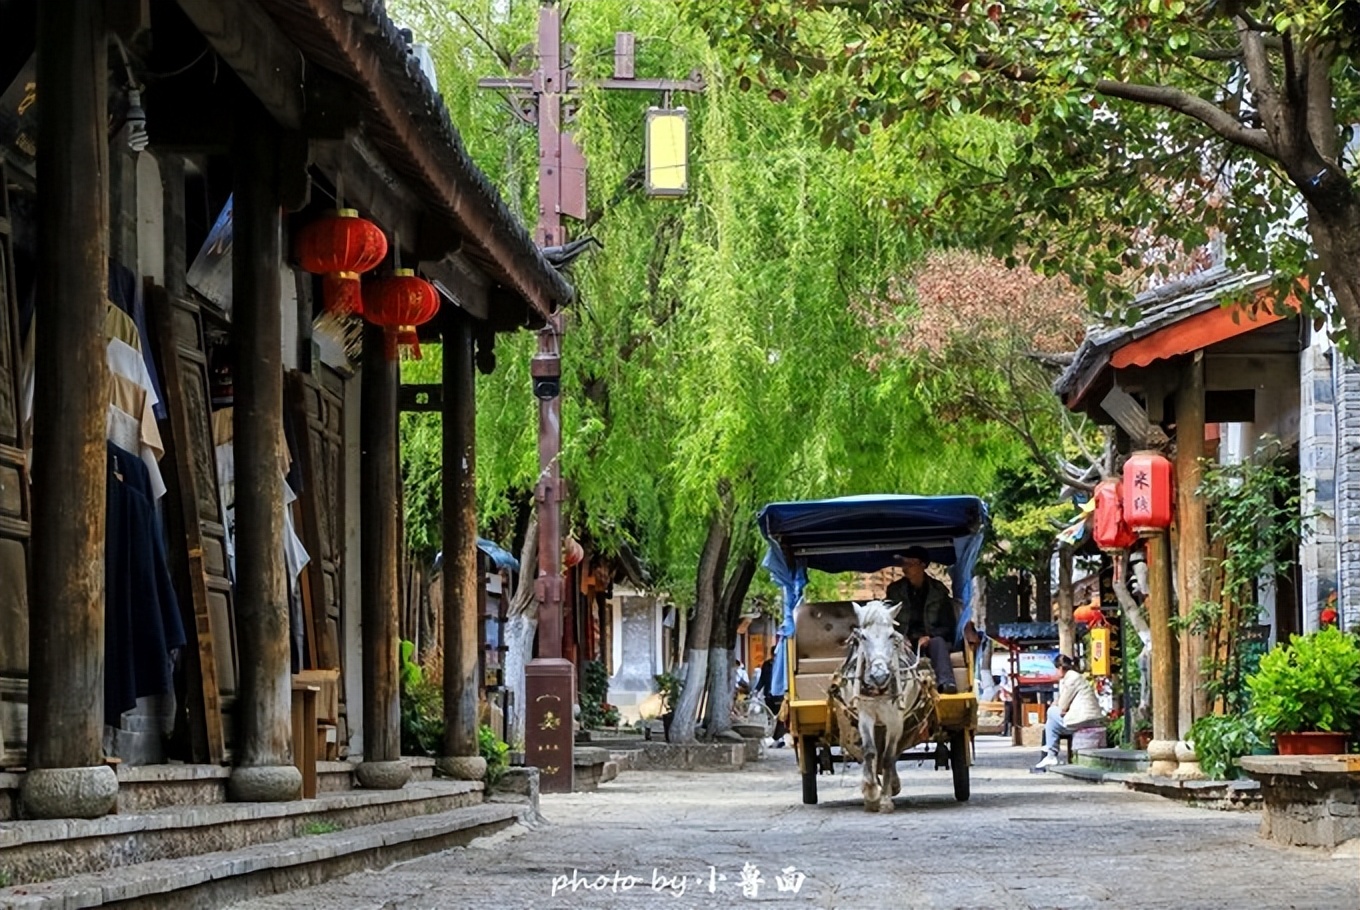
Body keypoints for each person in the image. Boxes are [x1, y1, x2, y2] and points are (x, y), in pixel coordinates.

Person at [885, 546, 958, 694]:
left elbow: (948, 624)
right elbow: (888, 620)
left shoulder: (939, 591)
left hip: (930, 638)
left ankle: (947, 683)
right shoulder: (894, 590)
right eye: (904, 563)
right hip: (904, 638)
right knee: (894, 647)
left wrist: (929, 636)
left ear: (923, 565)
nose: (905, 567)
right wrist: (900, 637)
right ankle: (895, 690)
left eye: (910, 563)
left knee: (938, 643)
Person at [1034, 654, 1103, 769]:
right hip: (1082, 718)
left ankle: (1049, 753)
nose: (1055, 672)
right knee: (1051, 724)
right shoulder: (1071, 678)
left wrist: (1057, 705)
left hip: (1084, 719)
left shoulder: (1072, 678)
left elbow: (1062, 705)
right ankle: (1050, 755)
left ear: (1060, 668)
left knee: (1051, 712)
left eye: (1056, 669)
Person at [752, 654, 787, 746]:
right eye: (774, 655)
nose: (775, 657)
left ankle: (779, 737)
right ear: (772, 655)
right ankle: (771, 736)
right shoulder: (767, 665)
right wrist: (757, 690)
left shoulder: (782, 664)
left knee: (780, 717)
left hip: (780, 694)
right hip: (768, 694)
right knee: (770, 716)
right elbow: (762, 679)